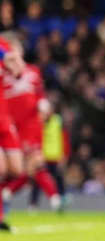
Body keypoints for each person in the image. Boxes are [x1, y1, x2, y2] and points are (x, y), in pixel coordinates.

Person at [0, 36, 62, 211]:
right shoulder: (4, 74)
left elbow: (40, 95)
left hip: (31, 126)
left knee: (31, 165)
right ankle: (9, 194)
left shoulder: (33, 72)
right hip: (12, 124)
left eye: (18, 49)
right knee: (23, 168)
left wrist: (44, 107)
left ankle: (51, 198)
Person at [0, 37, 25, 232]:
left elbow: (19, 70)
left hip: (4, 119)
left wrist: (13, 60)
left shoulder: (3, 44)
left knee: (17, 170)